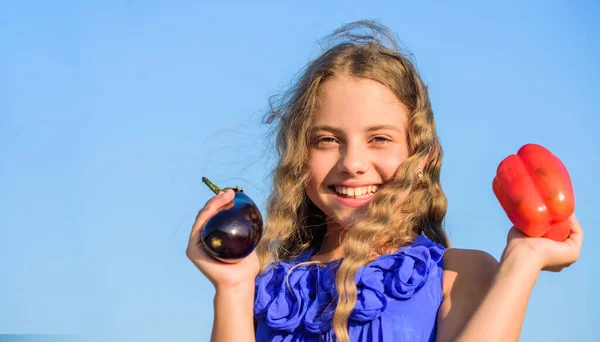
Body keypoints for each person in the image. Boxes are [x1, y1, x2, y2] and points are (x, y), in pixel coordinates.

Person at [186, 20, 583, 342]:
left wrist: (522, 263)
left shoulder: (458, 276)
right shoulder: (271, 291)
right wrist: (234, 289)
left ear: (420, 156)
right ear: (298, 156)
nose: (353, 163)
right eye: (327, 140)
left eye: (380, 139)